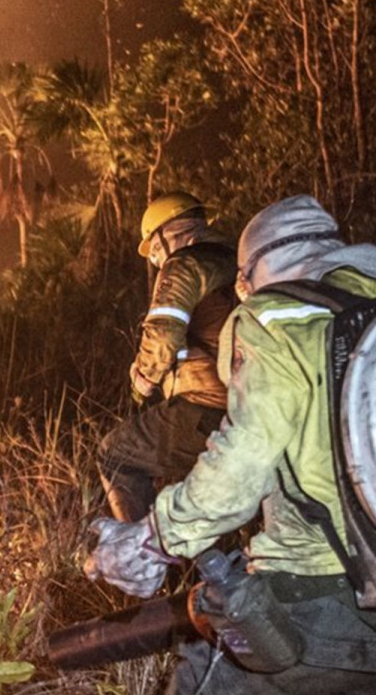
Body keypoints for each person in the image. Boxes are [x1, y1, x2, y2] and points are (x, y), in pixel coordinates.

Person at [86, 196, 376, 694]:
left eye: (242, 280)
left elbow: (241, 468)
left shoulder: (275, 316)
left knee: (204, 679)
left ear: (255, 270)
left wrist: (151, 538)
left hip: (324, 604)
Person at [97, 192, 239, 522]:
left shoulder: (185, 264)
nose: (157, 260)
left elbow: (163, 333)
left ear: (167, 232)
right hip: (252, 406)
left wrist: (142, 383)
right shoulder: (238, 259)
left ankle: (139, 560)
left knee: (115, 454)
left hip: (208, 406)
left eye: (155, 250)